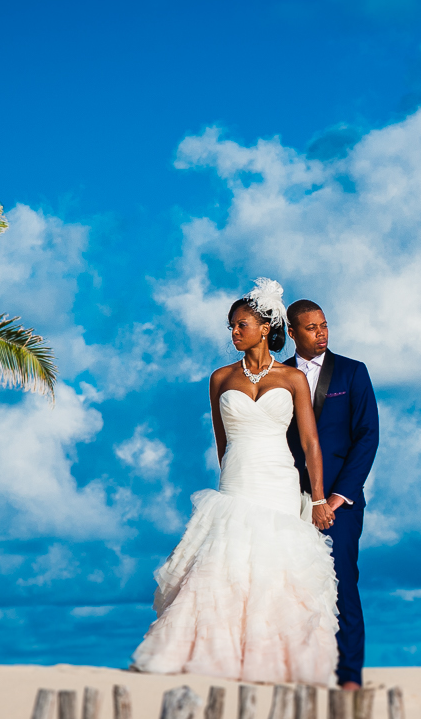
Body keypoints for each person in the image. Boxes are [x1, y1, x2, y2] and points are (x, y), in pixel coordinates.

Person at [129, 279, 340, 685]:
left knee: (274, 569)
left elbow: (311, 443)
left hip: (279, 479)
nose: (233, 333)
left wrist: (316, 499)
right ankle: (211, 658)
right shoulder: (220, 378)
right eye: (230, 327)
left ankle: (273, 662)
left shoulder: (293, 379)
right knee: (222, 566)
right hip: (237, 479)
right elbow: (220, 441)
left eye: (240, 324)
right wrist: (232, 475)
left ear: (265, 327)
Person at [282, 298, 378, 689]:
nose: (321, 333)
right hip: (287, 498)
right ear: (292, 333)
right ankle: (303, 669)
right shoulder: (278, 374)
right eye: (311, 327)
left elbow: (367, 436)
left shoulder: (354, 373)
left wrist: (338, 496)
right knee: (290, 584)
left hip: (340, 502)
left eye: (324, 325)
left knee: (341, 583)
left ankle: (349, 675)